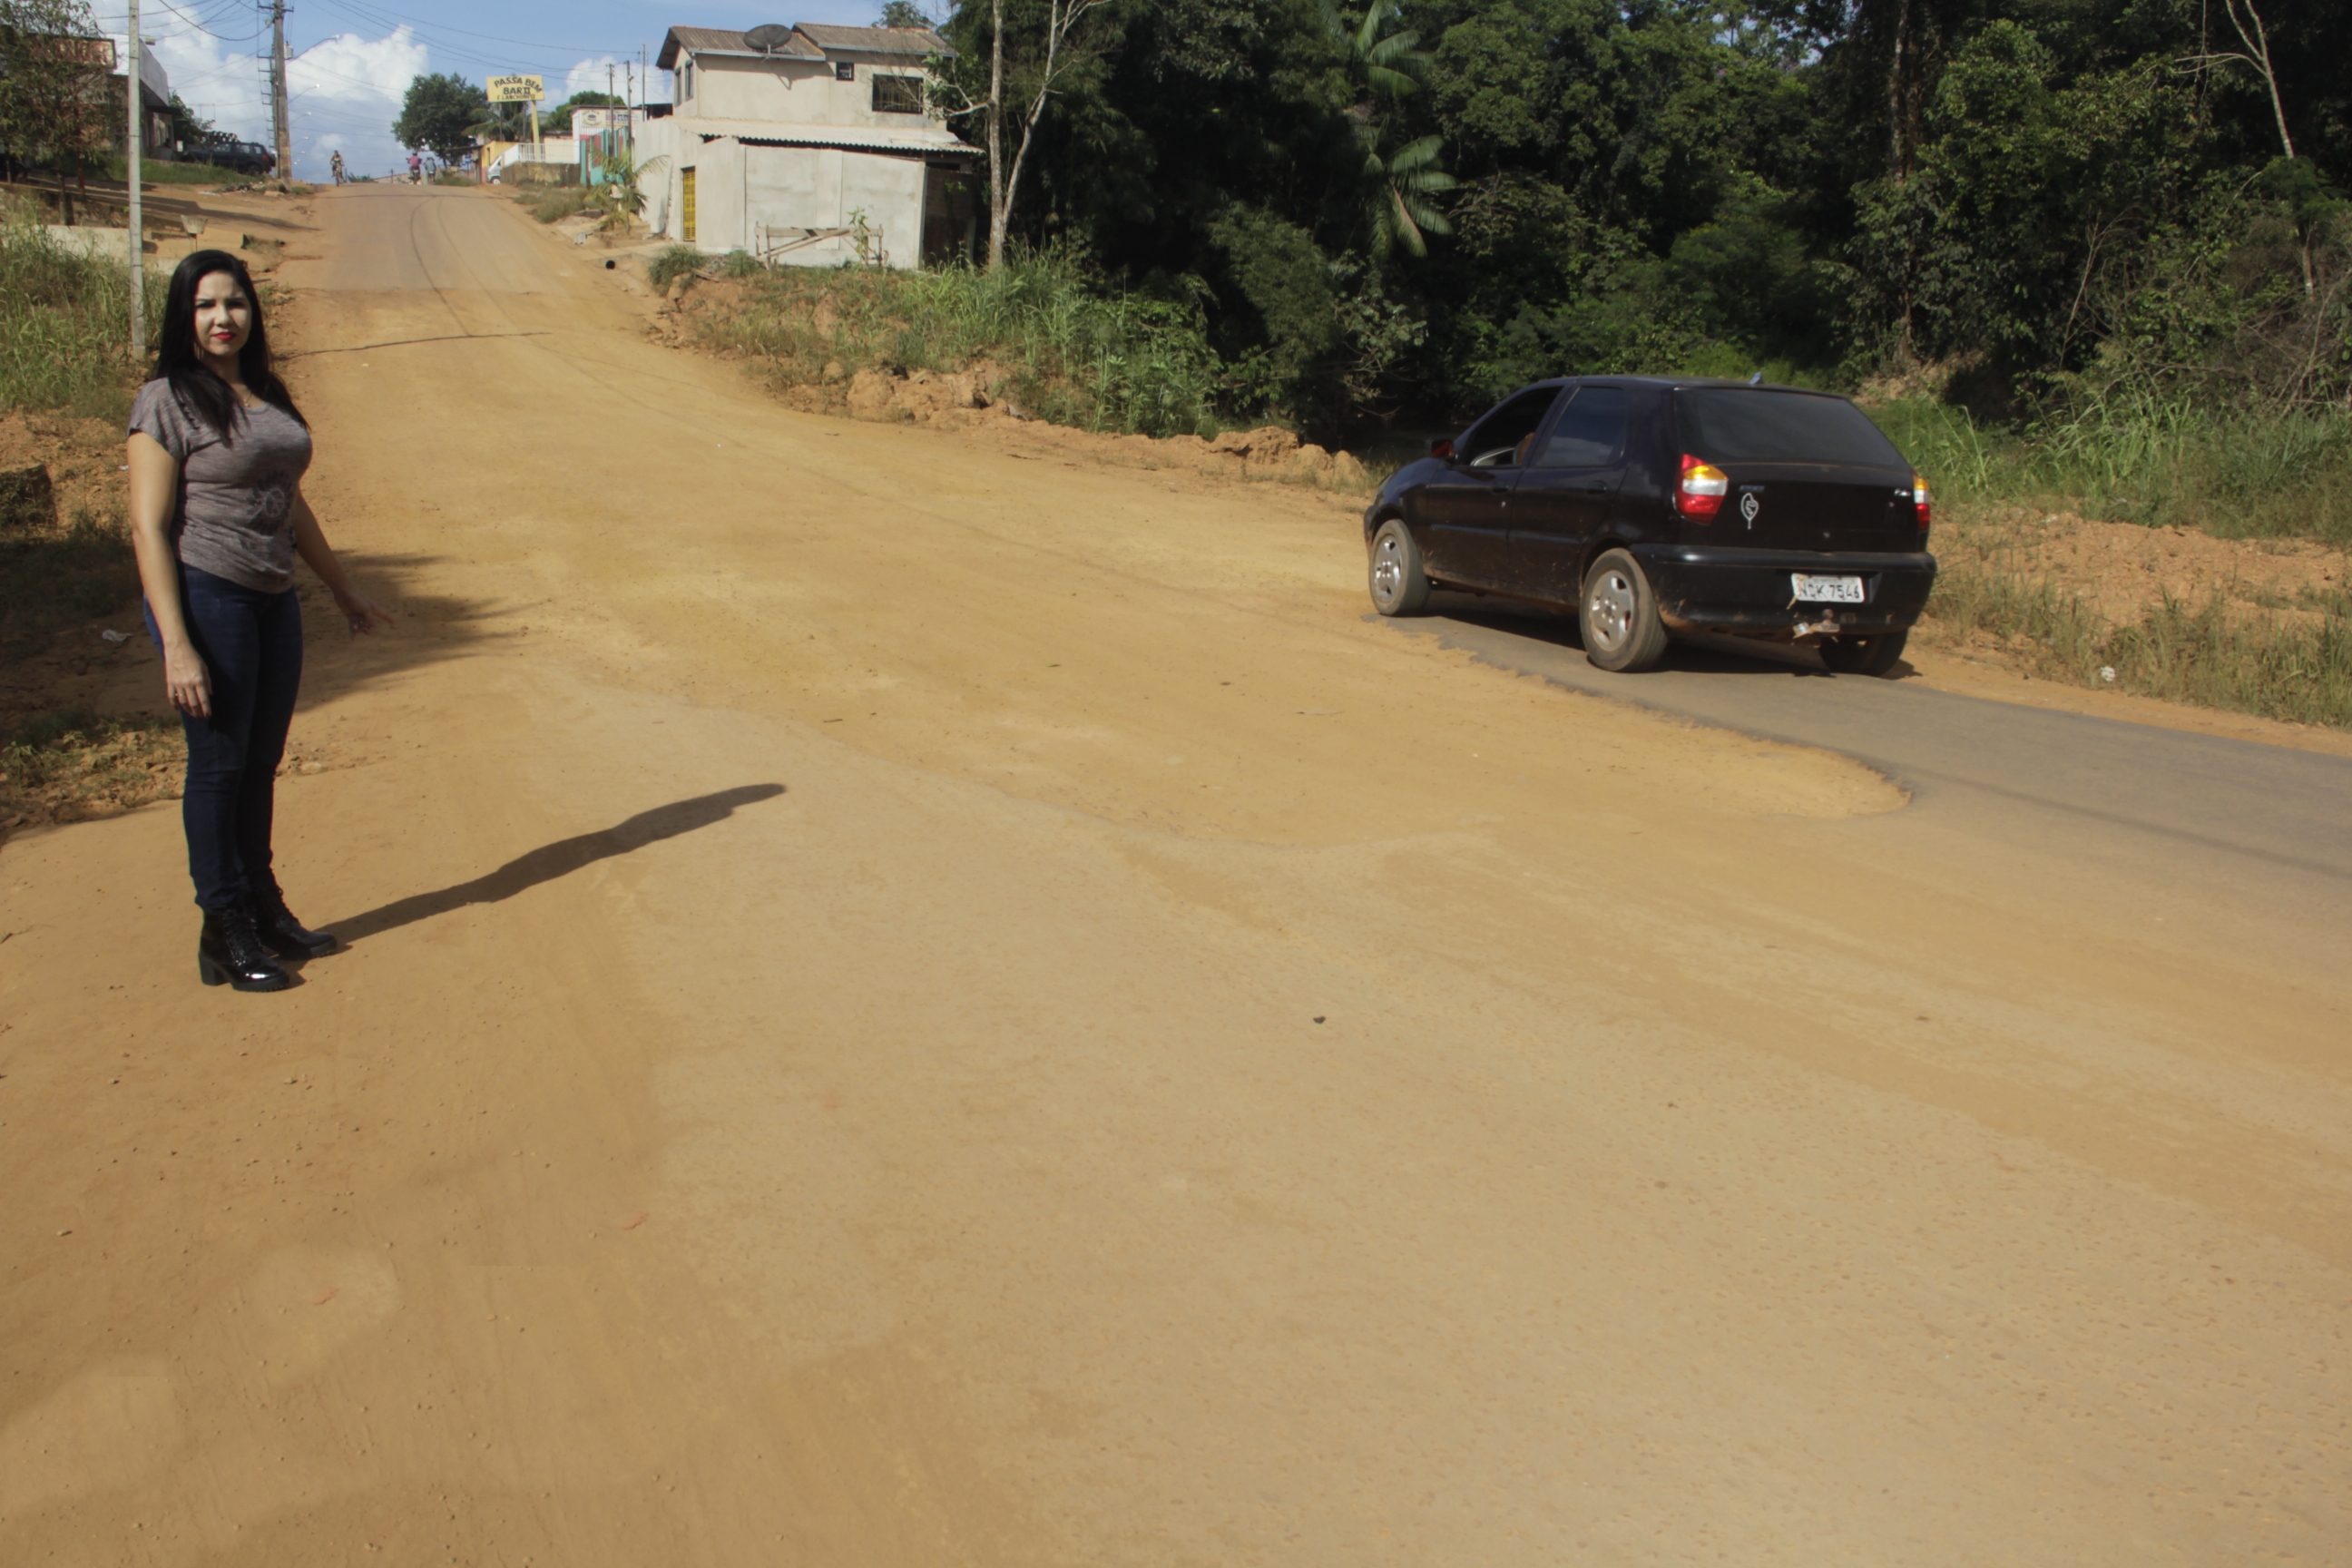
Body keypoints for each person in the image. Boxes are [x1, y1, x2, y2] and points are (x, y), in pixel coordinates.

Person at [127, 250, 396, 993]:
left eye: (235, 303)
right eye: (206, 306)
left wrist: (340, 588)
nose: (223, 319)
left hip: (273, 599)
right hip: (208, 595)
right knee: (218, 765)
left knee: (259, 762)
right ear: (185, 317)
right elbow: (149, 528)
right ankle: (223, 926)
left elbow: (290, 496)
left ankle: (263, 906)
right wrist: (176, 643)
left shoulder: (264, 391)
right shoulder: (166, 400)